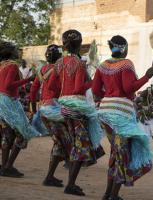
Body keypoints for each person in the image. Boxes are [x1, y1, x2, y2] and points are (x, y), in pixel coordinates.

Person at [92, 35, 153, 200]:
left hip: (105, 114)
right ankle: (113, 195)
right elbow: (128, 89)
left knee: (116, 153)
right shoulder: (127, 64)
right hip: (121, 115)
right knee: (123, 154)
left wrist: (110, 96)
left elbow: (96, 90)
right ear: (124, 48)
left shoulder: (102, 65)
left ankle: (107, 194)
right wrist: (147, 77)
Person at [48, 29, 105, 196]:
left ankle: (70, 183)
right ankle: (70, 185)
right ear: (79, 45)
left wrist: (64, 92)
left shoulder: (58, 63)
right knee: (81, 146)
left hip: (63, 107)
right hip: (77, 109)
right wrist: (93, 81)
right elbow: (79, 88)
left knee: (77, 145)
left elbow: (51, 87)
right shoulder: (79, 64)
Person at [30, 44, 72, 187]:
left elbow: (34, 89)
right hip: (54, 110)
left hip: (43, 109)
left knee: (59, 142)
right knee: (68, 141)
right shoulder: (59, 70)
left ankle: (50, 177)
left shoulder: (42, 70)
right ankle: (70, 182)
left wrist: (32, 108)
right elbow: (62, 89)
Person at [0, 41, 39, 177]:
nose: (18, 51)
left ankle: (4, 167)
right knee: (23, 134)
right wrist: (29, 79)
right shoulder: (12, 66)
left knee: (7, 135)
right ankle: (8, 166)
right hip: (9, 102)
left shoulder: (1, 66)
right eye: (16, 49)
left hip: (2, 102)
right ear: (10, 52)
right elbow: (9, 85)